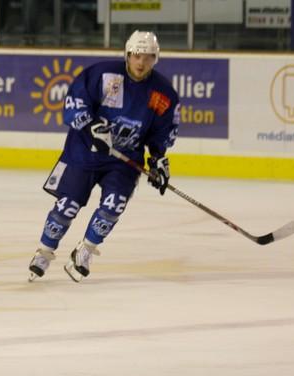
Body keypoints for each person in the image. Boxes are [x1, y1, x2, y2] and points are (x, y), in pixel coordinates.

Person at [27, 30, 180, 282]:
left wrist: (158, 160)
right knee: (67, 206)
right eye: (136, 56)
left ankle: (85, 250)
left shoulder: (163, 94)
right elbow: (75, 103)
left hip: (124, 159)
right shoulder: (104, 75)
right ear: (127, 55)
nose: (141, 62)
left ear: (156, 58)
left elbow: (160, 134)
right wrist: (91, 127)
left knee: (114, 206)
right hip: (84, 152)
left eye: (148, 57)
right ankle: (44, 251)